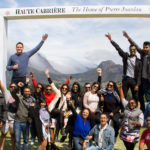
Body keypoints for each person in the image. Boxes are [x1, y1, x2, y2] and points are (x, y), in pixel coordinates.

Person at [105, 33, 142, 102]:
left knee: (135, 96)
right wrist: (111, 40)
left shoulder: (139, 62)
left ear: (136, 50)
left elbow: (139, 74)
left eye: (134, 50)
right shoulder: (126, 57)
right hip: (125, 79)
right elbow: (118, 49)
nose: (132, 51)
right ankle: (122, 110)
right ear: (129, 50)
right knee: (123, 96)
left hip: (134, 81)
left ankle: (135, 111)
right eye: (131, 50)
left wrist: (137, 84)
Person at [123, 31, 150, 112]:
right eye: (144, 47)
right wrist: (128, 38)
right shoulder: (142, 53)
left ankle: (148, 115)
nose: (145, 49)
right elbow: (136, 46)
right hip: (141, 80)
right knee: (140, 97)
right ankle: (142, 112)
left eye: (147, 47)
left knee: (148, 97)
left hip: (148, 80)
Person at [119, 82, 144, 150]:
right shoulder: (126, 107)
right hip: (125, 131)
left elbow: (141, 123)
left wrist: (135, 123)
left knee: (131, 147)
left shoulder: (139, 112)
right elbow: (122, 98)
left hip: (134, 132)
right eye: (130, 103)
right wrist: (121, 88)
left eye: (133, 103)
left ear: (135, 104)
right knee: (127, 146)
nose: (131, 104)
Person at [11, 82, 36, 150]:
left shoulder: (33, 100)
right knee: (18, 140)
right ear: (23, 92)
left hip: (26, 122)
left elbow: (34, 111)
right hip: (17, 122)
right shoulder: (20, 98)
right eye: (25, 91)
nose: (27, 92)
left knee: (26, 140)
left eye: (28, 91)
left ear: (30, 92)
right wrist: (17, 86)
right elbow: (13, 93)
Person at [0, 81, 16, 150]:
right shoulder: (7, 93)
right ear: (9, 87)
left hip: (14, 119)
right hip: (6, 118)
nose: (12, 88)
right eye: (11, 86)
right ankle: (1, 148)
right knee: (4, 134)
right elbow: (1, 86)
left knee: (13, 135)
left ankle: (13, 148)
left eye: (14, 87)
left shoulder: (18, 95)